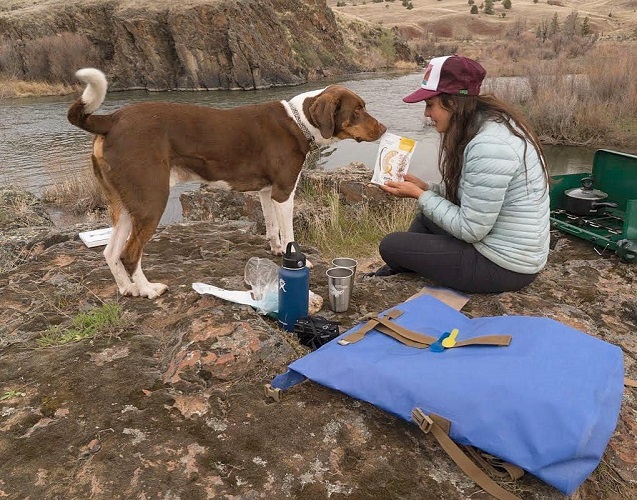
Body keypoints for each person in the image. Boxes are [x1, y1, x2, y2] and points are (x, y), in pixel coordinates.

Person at [372, 55, 551, 293]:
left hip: (504, 267)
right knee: (427, 217)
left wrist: (420, 196)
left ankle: (405, 264)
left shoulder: (488, 145)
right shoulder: (489, 124)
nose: (426, 114)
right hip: (503, 249)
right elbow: (477, 196)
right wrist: (428, 189)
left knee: (391, 245)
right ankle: (407, 266)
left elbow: (471, 229)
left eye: (430, 105)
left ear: (453, 103)